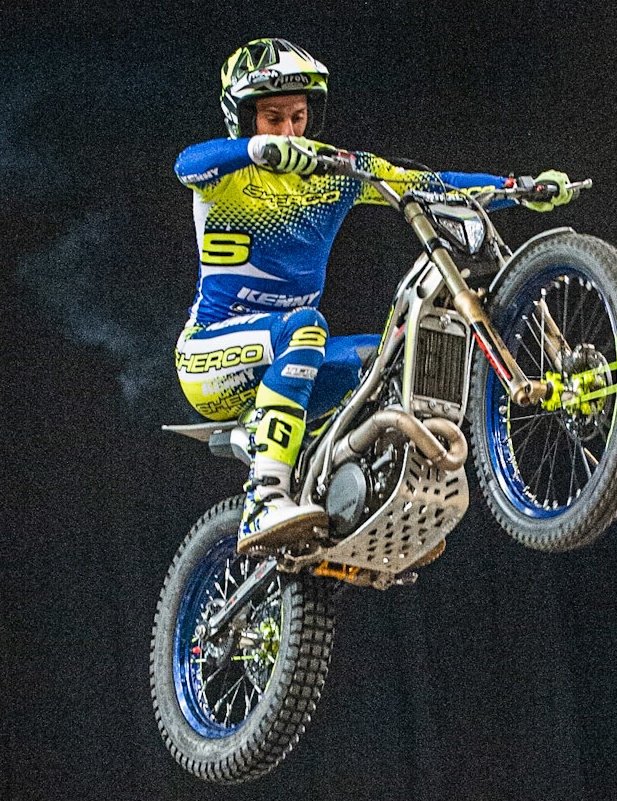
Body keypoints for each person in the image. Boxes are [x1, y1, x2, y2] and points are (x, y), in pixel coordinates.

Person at [174, 37, 573, 552]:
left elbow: (428, 183)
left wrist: (518, 188)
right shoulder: (223, 177)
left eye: (298, 118)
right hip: (209, 360)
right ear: (244, 119)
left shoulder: (331, 173)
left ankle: (362, 497)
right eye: (273, 119)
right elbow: (187, 163)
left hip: (295, 356)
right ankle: (263, 499)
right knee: (304, 327)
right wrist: (258, 150)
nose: (290, 132)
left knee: (387, 361)